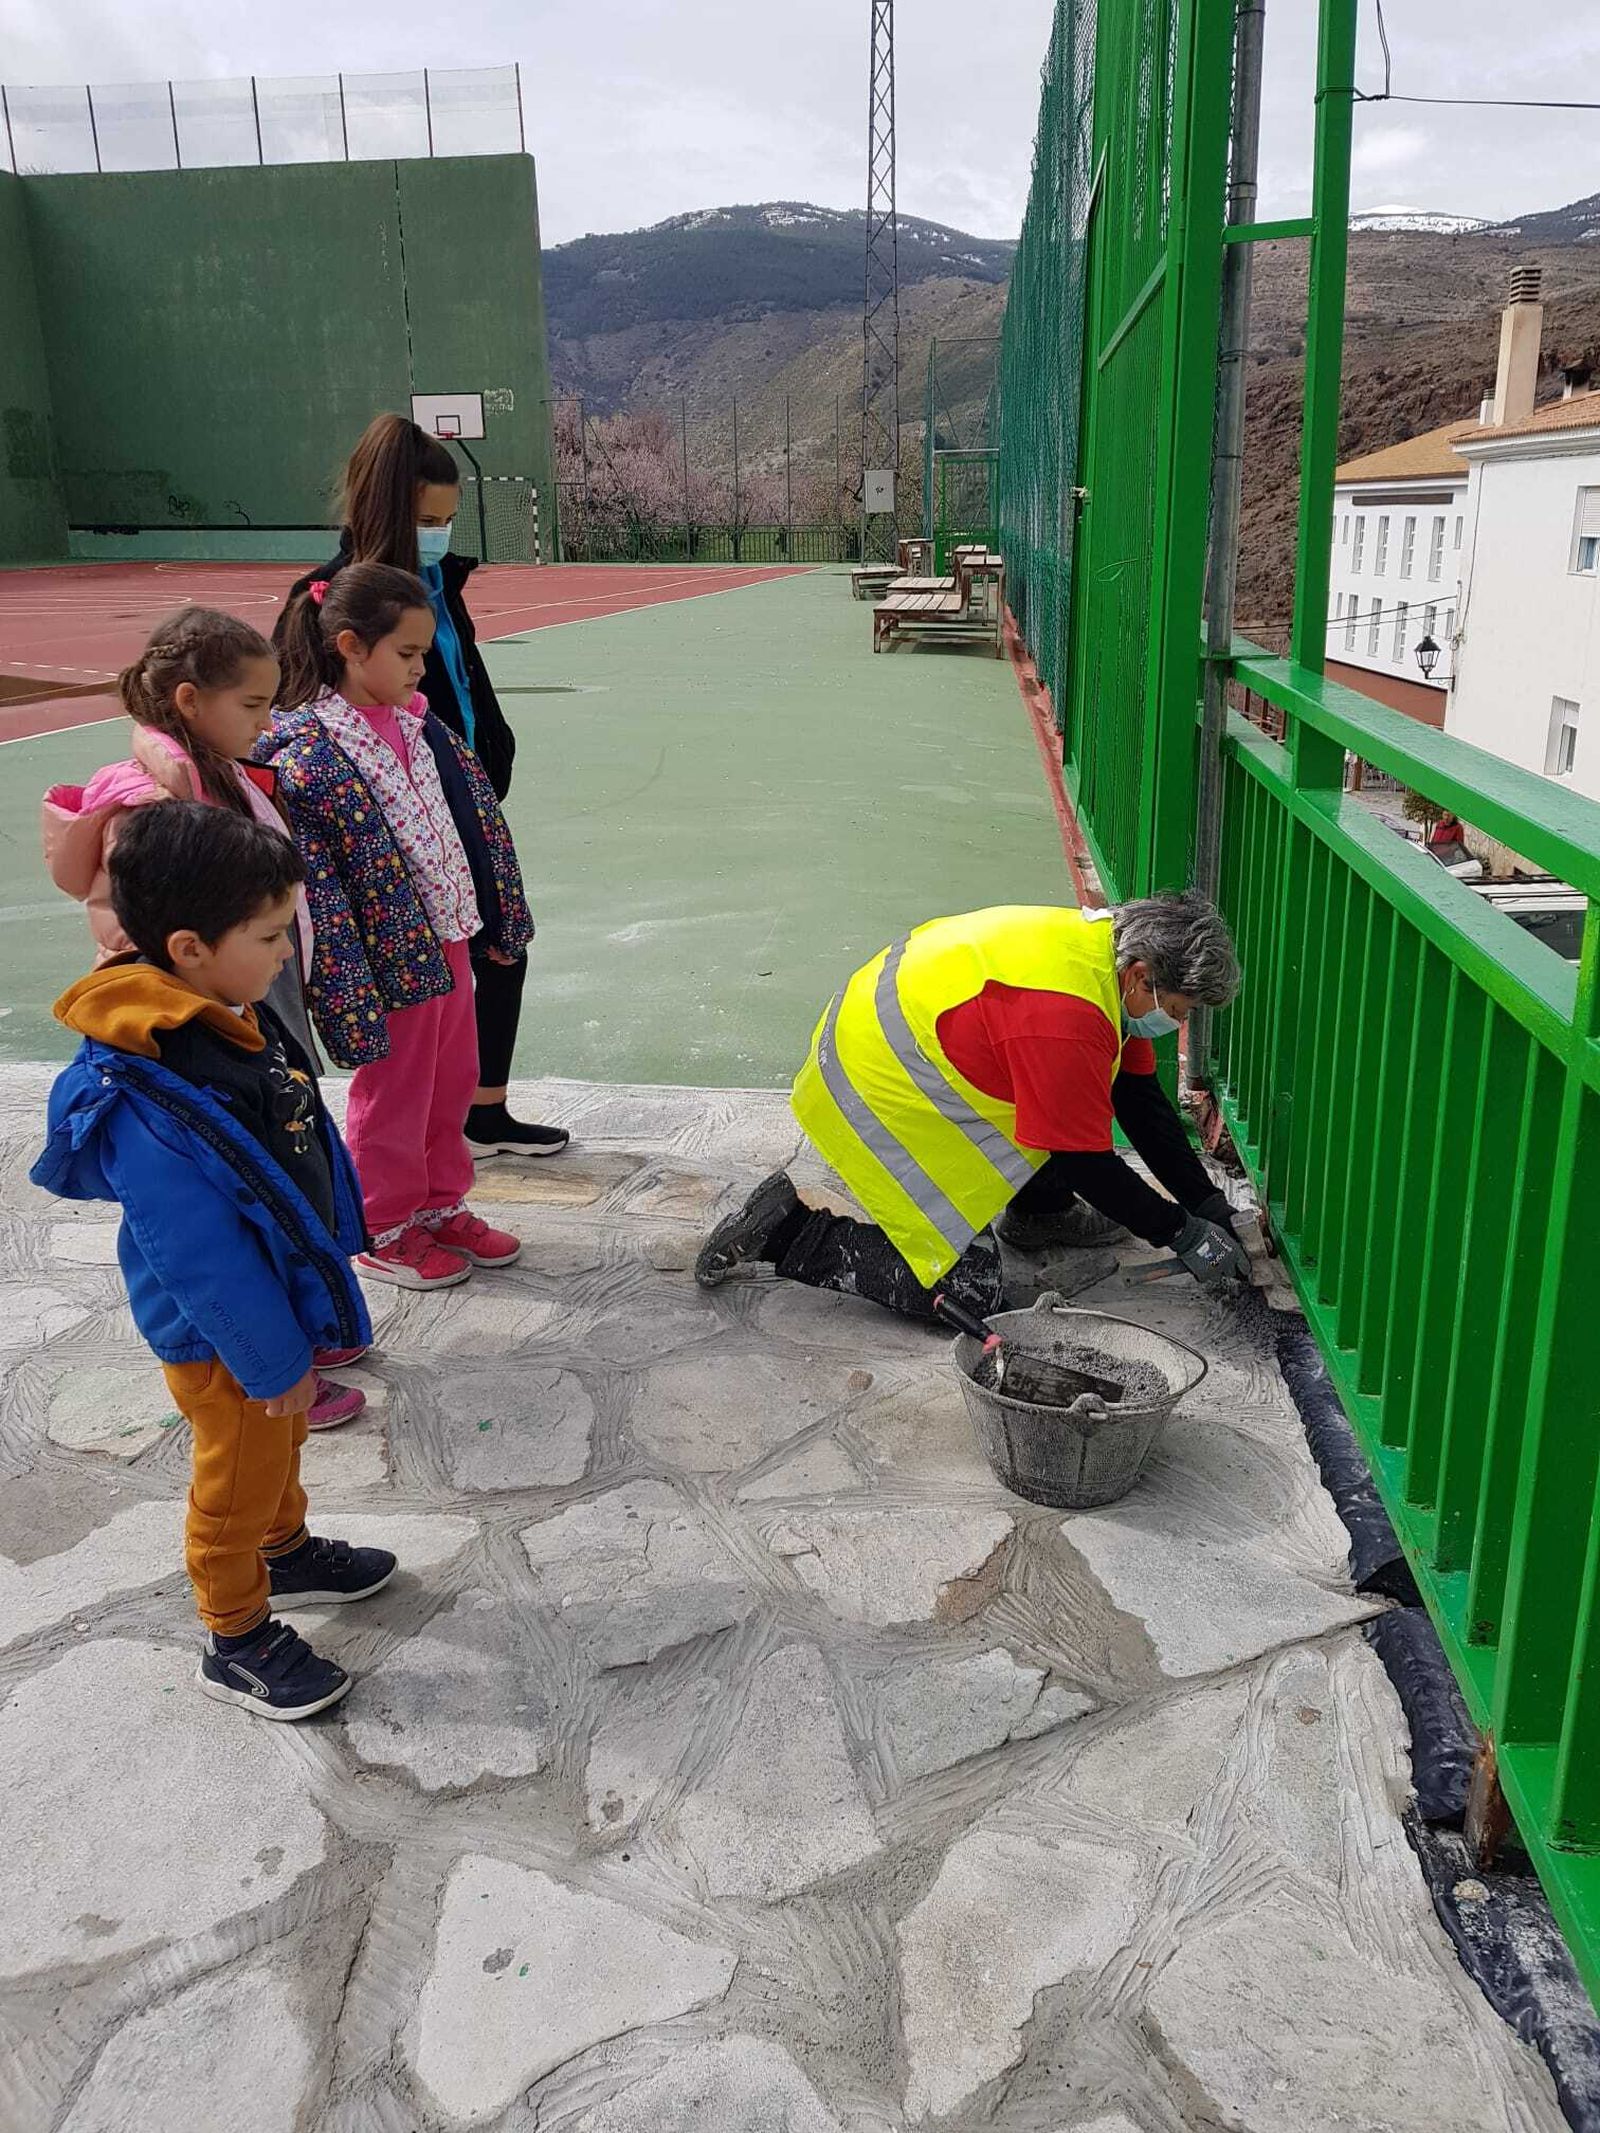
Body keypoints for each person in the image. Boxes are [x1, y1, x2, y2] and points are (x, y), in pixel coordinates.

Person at [31, 803, 389, 1719]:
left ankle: (287, 1550)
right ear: (189, 948)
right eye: (269, 935)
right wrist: (269, 1356)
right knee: (235, 1477)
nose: (285, 951)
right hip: (223, 1333)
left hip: (266, 1307)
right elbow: (199, 1254)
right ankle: (236, 1636)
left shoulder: (216, 1012)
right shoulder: (150, 1086)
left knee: (281, 1445)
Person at [39, 605, 364, 1430]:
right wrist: (269, 1363)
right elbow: (194, 1244)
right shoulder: (153, 806)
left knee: (279, 1158)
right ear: (190, 700)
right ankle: (278, 1354)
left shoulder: (212, 770)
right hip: (212, 1017)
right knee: (243, 1186)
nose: (268, 722)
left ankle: (299, 1326)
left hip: (236, 1000)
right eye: (252, 704)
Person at [695, 894, 1251, 1322]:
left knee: (1064, 1099)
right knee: (970, 1292)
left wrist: (1206, 1204)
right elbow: (1086, 1161)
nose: (1177, 1023)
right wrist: (1181, 1232)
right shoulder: (1069, 1016)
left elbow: (1139, 1100)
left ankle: (1042, 1213)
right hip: (878, 1093)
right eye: (1178, 1009)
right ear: (1141, 977)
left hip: (901, 1046)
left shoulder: (1103, 957)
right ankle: (789, 1233)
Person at [278, 412, 567, 1160]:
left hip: (456, 805)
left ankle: (477, 1116)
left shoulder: (435, 585)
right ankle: (401, 1166)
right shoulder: (330, 600)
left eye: (447, 519)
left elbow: (462, 680)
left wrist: (492, 749)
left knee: (499, 947)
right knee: (420, 998)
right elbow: (299, 719)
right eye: (427, 520)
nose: (439, 534)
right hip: (395, 830)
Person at [263, 562, 533, 1291]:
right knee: (396, 1093)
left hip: (447, 937)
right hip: (387, 957)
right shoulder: (311, 749)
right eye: (407, 653)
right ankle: (382, 1224)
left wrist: (496, 914)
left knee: (452, 1081)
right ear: (351, 646)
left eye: (422, 652)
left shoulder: (417, 723)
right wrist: (345, 978)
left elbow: (470, 820)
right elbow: (320, 885)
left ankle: (440, 1202)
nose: (420, 667)